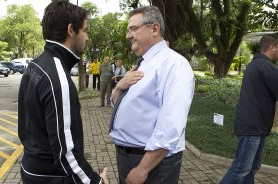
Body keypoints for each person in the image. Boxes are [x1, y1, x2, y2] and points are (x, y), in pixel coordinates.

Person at [18, 1, 108, 184]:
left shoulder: (35, 65)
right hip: (51, 177)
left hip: (31, 170)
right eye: (85, 30)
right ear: (70, 30)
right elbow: (66, 152)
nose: (87, 37)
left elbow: (25, 128)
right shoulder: (57, 77)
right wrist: (96, 181)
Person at [109, 6, 195, 184]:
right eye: (128, 30)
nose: (128, 35)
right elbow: (126, 106)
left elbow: (171, 125)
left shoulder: (174, 64)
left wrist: (142, 169)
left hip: (150, 163)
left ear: (154, 29)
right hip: (129, 157)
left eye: (133, 29)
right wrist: (119, 88)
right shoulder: (144, 64)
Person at [220, 34, 278, 184]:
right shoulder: (265, 66)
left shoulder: (256, 64)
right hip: (252, 127)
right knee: (241, 168)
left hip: (255, 126)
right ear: (272, 47)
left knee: (251, 167)